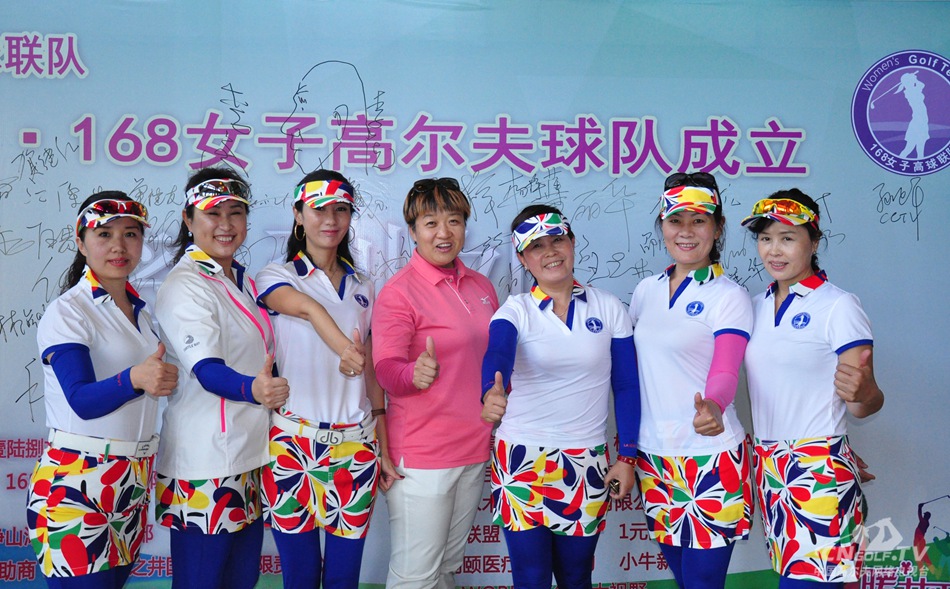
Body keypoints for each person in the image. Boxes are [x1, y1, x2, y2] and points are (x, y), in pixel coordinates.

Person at [480, 205, 640, 589]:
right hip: (521, 460)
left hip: (585, 460)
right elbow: (498, 352)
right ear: (523, 258)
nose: (550, 252)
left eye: (557, 240)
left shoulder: (608, 306)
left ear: (572, 242)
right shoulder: (515, 309)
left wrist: (627, 457)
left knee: (575, 577)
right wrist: (491, 390)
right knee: (531, 578)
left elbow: (626, 386)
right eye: (536, 246)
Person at [255, 169, 399, 588]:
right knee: (299, 577)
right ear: (298, 215)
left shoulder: (364, 285)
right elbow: (304, 308)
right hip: (291, 446)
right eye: (319, 210)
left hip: (356, 446)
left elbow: (371, 373)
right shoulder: (276, 275)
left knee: (343, 578)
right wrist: (344, 350)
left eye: (341, 210)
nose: (331, 220)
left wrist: (383, 444)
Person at [27, 191, 178, 588]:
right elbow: (81, 400)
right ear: (81, 243)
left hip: (130, 483)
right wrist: (135, 379)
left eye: (130, 234)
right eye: (104, 234)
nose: (118, 246)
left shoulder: (142, 312)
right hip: (76, 483)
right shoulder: (68, 311)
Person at [741, 189, 885, 589]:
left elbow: (865, 404)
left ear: (815, 242)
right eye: (766, 238)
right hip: (771, 468)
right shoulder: (754, 305)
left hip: (819, 471)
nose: (774, 250)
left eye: (788, 238)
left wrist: (863, 392)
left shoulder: (839, 306)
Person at [154, 167, 289, 589]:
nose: (226, 224)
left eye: (236, 212)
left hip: (248, 457)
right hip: (205, 464)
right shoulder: (185, 285)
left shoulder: (240, 279)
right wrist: (255, 389)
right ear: (188, 219)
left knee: (241, 580)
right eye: (213, 213)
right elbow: (207, 370)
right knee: (201, 581)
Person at [627, 173, 755, 588]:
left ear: (717, 228)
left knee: (702, 584)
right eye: (675, 220)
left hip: (710, 458)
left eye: (698, 220)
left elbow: (726, 368)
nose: (685, 231)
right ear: (662, 225)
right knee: (685, 581)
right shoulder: (646, 290)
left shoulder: (728, 295)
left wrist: (714, 404)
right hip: (655, 458)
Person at [371, 177, 499, 589]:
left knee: (446, 566)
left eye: (454, 220)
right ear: (413, 231)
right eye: (431, 223)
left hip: (474, 448)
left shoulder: (481, 286)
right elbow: (386, 369)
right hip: (423, 456)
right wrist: (413, 374)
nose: (444, 233)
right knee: (416, 575)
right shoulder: (399, 293)